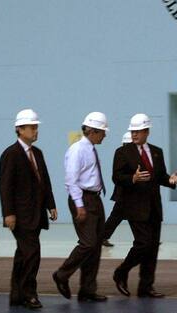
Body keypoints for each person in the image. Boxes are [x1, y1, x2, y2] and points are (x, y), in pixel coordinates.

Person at [112, 114, 177, 298]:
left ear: (146, 132)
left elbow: (161, 177)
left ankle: (146, 287)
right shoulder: (123, 152)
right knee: (143, 244)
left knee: (152, 247)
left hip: (154, 208)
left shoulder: (156, 152)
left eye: (138, 131)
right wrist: (132, 178)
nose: (134, 134)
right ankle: (122, 271)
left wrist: (171, 181)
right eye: (132, 131)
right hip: (135, 207)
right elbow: (116, 177)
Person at [0, 109, 57, 309]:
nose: (36, 130)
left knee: (23, 255)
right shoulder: (11, 154)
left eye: (36, 127)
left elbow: (45, 181)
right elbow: (5, 187)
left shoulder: (37, 153)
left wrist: (51, 204)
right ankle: (29, 293)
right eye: (32, 127)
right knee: (32, 253)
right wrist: (8, 213)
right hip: (21, 216)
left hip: (36, 213)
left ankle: (16, 294)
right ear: (20, 129)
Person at [53, 112, 109, 302]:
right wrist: (79, 205)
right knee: (88, 243)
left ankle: (87, 290)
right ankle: (62, 274)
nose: (105, 135)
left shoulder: (90, 148)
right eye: (103, 132)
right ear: (93, 131)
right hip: (83, 199)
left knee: (95, 246)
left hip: (94, 198)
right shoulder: (77, 150)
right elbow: (71, 181)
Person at [101, 131, 133, 247]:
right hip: (124, 193)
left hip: (129, 193)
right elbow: (118, 176)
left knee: (136, 217)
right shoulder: (121, 154)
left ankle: (147, 239)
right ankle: (102, 237)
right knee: (116, 217)